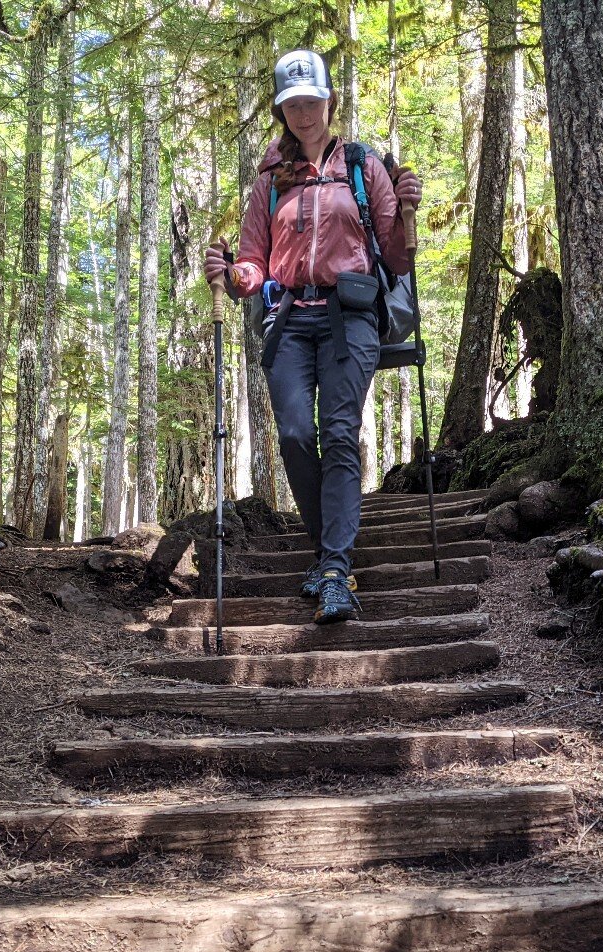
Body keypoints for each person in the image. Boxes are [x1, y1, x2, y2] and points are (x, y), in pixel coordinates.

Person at [205, 48, 423, 625]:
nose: (303, 112)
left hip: (351, 316)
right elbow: (254, 263)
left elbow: (397, 258)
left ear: (330, 101)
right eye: (292, 103)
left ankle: (334, 568)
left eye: (312, 101)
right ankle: (326, 554)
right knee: (298, 437)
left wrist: (403, 212)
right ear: (282, 110)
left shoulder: (361, 166)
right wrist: (233, 275)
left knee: (340, 434)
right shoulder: (269, 181)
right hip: (289, 321)